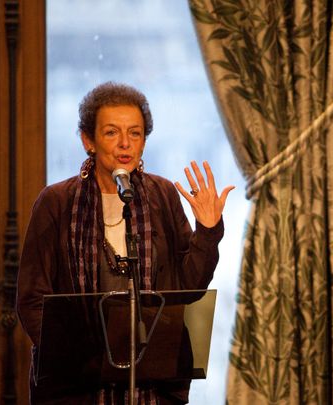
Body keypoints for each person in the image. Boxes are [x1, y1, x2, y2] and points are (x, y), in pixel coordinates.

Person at [16, 82, 234, 404]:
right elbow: (32, 300)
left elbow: (188, 288)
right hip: (77, 388)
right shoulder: (57, 202)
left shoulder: (162, 195)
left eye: (135, 133)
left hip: (153, 384)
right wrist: (72, 362)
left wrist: (208, 231)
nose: (124, 144)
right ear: (88, 140)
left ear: (145, 140)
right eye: (111, 133)